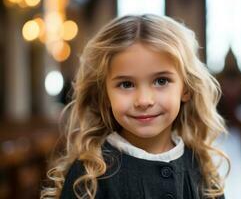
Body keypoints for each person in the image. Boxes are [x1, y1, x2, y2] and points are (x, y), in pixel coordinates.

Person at [41, 14, 229, 199]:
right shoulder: (88, 173)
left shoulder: (201, 166)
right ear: (105, 95)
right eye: (126, 84)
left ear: (186, 88)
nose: (144, 100)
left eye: (161, 81)